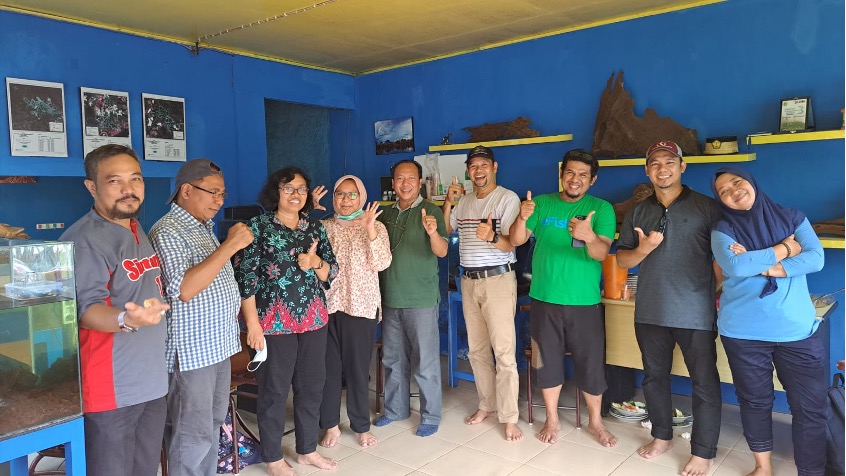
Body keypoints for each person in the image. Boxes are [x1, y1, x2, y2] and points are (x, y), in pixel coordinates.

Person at [60, 144, 170, 476]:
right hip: (112, 388)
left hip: (151, 380)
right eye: (114, 181)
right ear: (92, 187)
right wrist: (125, 318)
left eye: (135, 179)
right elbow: (86, 310)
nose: (128, 190)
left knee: (144, 469)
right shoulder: (85, 239)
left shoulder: (138, 231)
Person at [710, 166, 826, 476]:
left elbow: (816, 258)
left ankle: (811, 472)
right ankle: (763, 467)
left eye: (737, 182)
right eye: (723, 191)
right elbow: (734, 265)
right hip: (743, 332)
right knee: (755, 401)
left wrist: (766, 266)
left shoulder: (792, 216)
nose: (733, 191)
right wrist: (785, 249)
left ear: (751, 182)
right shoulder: (723, 228)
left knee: (810, 409)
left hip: (796, 331)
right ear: (721, 201)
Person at [615, 141, 722, 476]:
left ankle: (703, 452)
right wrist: (644, 249)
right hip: (650, 310)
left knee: (704, 383)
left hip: (696, 313)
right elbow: (622, 259)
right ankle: (662, 436)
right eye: (655, 164)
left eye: (669, 162)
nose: (662, 169)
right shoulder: (638, 211)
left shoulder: (707, 207)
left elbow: (723, 258)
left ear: (682, 166)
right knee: (654, 378)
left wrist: (708, 290)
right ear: (647, 170)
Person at [148, 159, 254, 476]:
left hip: (218, 347)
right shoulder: (167, 231)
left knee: (211, 426)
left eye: (223, 194)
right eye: (213, 193)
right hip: (191, 354)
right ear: (186, 190)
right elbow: (184, 288)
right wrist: (231, 245)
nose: (220, 201)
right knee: (191, 435)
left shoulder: (202, 228)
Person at [234, 166, 339, 476]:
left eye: (302, 189)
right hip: (271, 323)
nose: (296, 194)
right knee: (274, 391)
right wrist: (252, 325)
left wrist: (314, 261)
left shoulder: (315, 228)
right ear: (275, 192)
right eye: (288, 188)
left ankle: (307, 450)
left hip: (313, 321)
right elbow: (245, 279)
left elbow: (330, 273)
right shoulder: (257, 227)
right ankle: (273, 457)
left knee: (311, 387)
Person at [509, 149, 618, 447]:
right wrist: (522, 217)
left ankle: (596, 422)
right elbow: (517, 239)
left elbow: (601, 253)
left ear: (592, 180)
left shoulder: (602, 209)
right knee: (546, 362)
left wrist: (589, 236)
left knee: (591, 363)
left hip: (585, 302)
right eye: (570, 172)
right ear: (561, 174)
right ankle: (552, 419)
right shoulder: (541, 204)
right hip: (544, 299)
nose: (575, 179)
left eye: (583, 175)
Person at [441, 145, 523, 441]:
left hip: (498, 281)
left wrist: (491, 237)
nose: (478, 170)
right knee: (476, 350)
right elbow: (448, 228)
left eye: (483, 165)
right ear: (468, 170)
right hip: (469, 280)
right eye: (473, 165)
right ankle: (487, 405)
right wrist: (449, 202)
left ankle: (510, 416)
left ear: (494, 167)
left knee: (503, 352)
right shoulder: (463, 203)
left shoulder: (506, 198)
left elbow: (512, 243)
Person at [374, 159, 448, 437]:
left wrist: (431, 232)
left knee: (425, 361)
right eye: (399, 179)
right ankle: (395, 410)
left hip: (421, 298)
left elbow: (441, 251)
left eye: (410, 179)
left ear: (420, 183)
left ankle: (430, 415)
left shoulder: (431, 211)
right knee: (393, 359)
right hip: (391, 297)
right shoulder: (384, 214)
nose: (405, 184)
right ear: (392, 184)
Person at [317, 175, 392, 448]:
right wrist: (310, 210)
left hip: (360, 305)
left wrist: (370, 228)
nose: (345, 200)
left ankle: (361, 426)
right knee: (328, 370)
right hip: (327, 306)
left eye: (352, 195)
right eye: (339, 194)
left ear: (361, 197)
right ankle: (331, 425)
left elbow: (382, 262)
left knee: (358, 369)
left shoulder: (376, 227)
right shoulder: (323, 227)